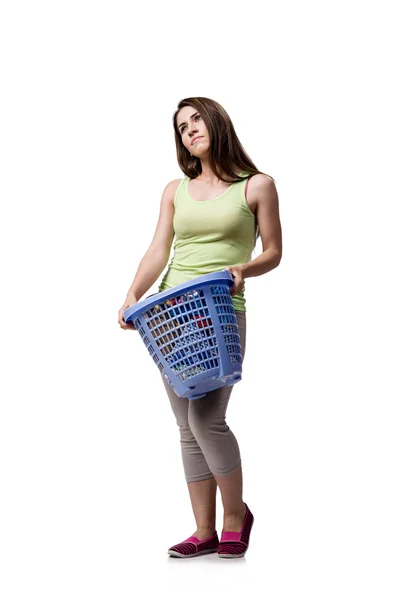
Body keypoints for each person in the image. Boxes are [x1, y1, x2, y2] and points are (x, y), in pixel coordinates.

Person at [118, 97, 282, 558]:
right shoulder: (175, 189)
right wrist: (133, 294)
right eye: (181, 127)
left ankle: (236, 517)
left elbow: (273, 251)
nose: (189, 130)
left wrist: (243, 270)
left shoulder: (257, 186)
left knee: (207, 419)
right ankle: (204, 530)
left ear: (215, 121)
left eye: (195, 120)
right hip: (169, 313)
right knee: (186, 426)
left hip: (219, 310)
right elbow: (158, 249)